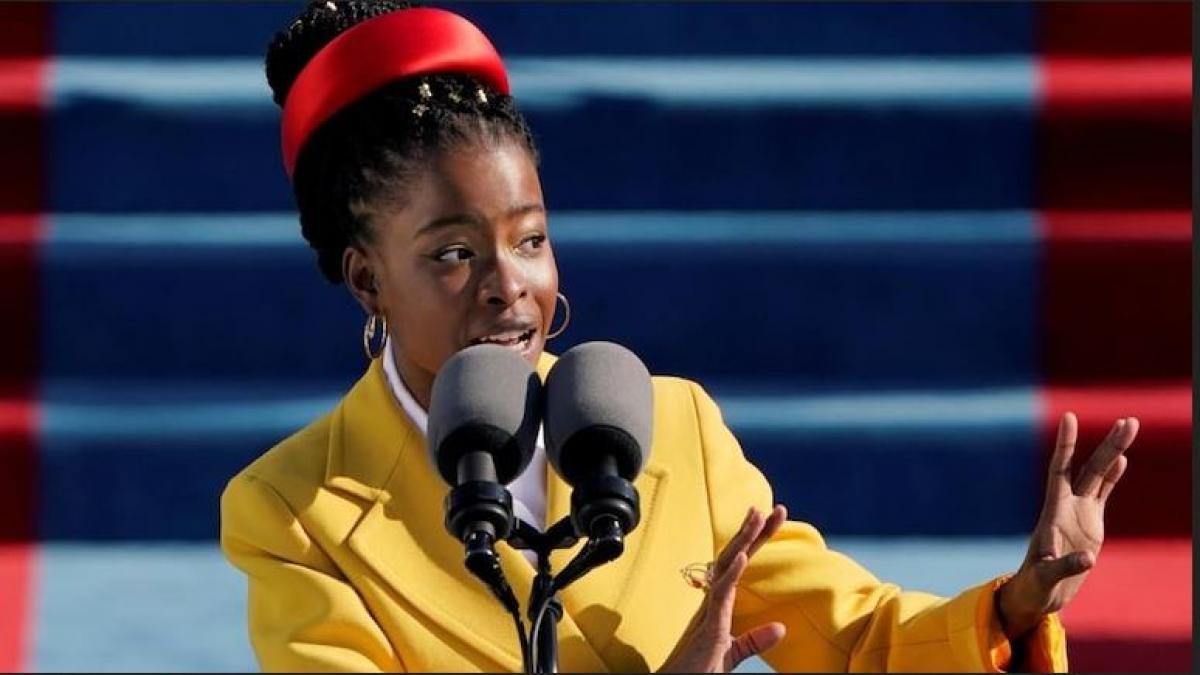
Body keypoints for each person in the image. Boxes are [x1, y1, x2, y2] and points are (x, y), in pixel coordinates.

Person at [220, 1, 1140, 671]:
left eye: (531, 239)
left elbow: (859, 641)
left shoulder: (673, 427)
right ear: (367, 277)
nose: (511, 286)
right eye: (455, 253)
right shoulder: (295, 512)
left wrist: (1016, 607)